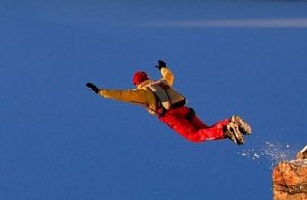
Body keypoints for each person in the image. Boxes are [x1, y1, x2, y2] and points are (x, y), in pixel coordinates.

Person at [86, 60, 251, 144]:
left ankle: (226, 129)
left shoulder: (142, 93)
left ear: (136, 83)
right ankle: (229, 122)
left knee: (195, 136)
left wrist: (101, 92)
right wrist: (163, 68)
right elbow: (169, 77)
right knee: (205, 129)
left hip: (172, 116)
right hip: (185, 110)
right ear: (147, 78)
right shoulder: (160, 83)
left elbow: (122, 94)